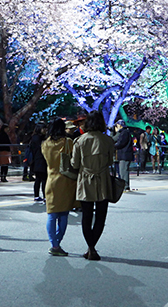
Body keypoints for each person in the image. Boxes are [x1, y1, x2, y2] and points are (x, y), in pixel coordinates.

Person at [71, 111, 115, 261]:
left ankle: (91, 248)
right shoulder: (108, 140)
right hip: (102, 180)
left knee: (87, 216)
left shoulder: (80, 140)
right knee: (101, 216)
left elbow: (75, 164)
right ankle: (92, 248)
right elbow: (110, 161)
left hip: (85, 179)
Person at [42, 118, 77, 256]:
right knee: (64, 214)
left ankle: (54, 244)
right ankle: (57, 242)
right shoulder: (67, 142)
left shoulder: (45, 144)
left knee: (51, 214)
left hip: (51, 180)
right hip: (66, 180)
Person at [113, 120, 133, 191]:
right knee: (123, 171)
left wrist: (113, 146)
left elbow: (120, 143)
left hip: (124, 155)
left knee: (123, 171)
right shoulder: (125, 132)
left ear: (120, 125)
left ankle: (125, 186)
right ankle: (124, 186)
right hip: (124, 154)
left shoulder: (124, 133)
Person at [30, 124, 48, 202]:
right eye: (44, 128)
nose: (45, 130)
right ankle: (45, 196)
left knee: (38, 179)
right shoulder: (38, 139)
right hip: (40, 160)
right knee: (43, 179)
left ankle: (36, 196)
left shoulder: (34, 138)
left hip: (36, 161)